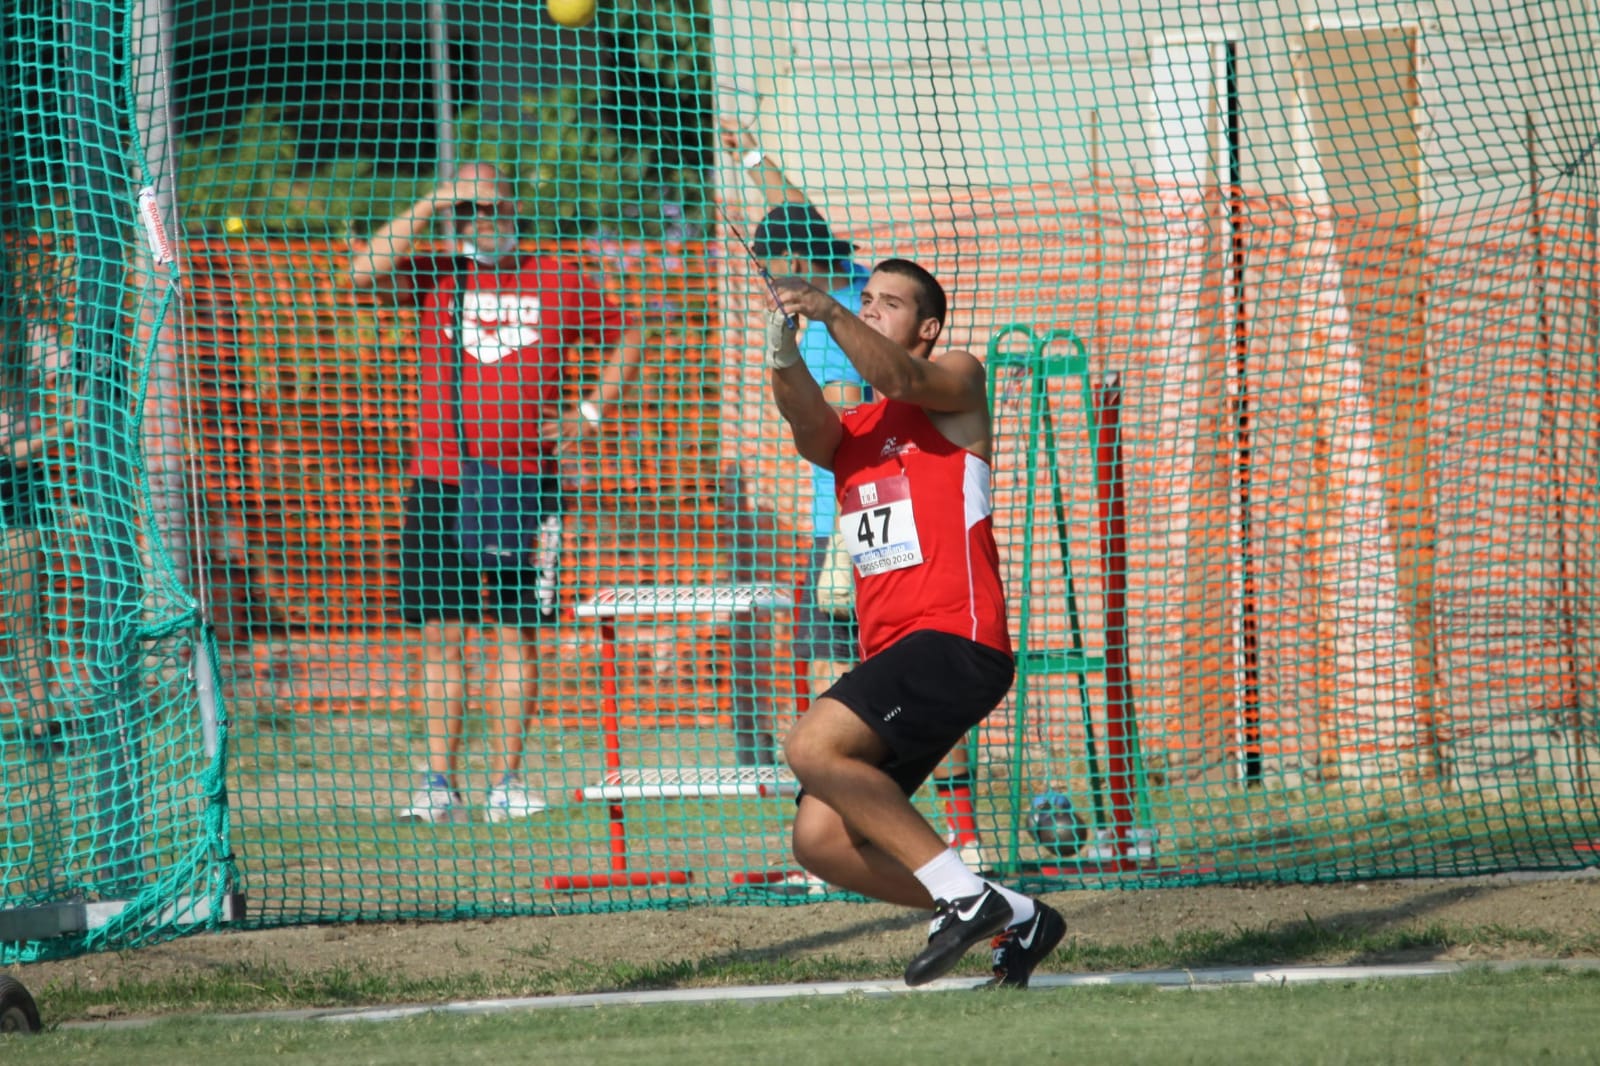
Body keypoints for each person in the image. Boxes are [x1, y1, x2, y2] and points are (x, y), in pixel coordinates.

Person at [764, 259, 1066, 989]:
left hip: (957, 639)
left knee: (810, 743)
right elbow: (807, 423)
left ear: (925, 328)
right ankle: (1016, 914)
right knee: (820, 840)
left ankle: (963, 899)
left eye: (887, 304)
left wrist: (831, 313)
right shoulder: (853, 428)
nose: (869, 311)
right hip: (894, 651)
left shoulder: (956, 380)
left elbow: (901, 378)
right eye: (863, 300)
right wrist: (783, 350)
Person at [718, 127, 986, 867]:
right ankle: (951, 843)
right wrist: (748, 157)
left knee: (830, 682)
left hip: (852, 532)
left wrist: (807, 347)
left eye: (776, 272)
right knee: (886, 693)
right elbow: (796, 215)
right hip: (869, 534)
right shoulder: (863, 284)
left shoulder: (848, 320)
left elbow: (844, 422)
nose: (772, 282)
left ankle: (925, 837)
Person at [350, 162, 646, 824]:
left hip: (525, 484)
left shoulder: (559, 275)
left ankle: (506, 783)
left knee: (516, 633)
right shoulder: (436, 274)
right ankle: (437, 786)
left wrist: (591, 411)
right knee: (442, 636)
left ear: (514, 207)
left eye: (493, 205)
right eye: (470, 208)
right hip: (441, 484)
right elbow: (361, 273)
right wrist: (434, 200)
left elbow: (630, 331)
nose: (483, 219)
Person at [1, 323, 68, 753]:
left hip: (18, 500)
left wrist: (65, 373)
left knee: (26, 617)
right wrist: (63, 429)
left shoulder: (29, 335)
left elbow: (71, 376)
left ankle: (44, 728)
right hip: (15, 476)